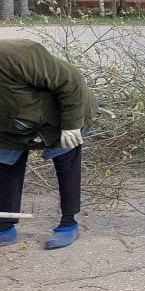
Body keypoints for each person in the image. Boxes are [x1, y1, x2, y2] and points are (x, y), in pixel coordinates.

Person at [0, 39, 95, 250]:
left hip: (62, 115)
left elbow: (70, 81)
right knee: (4, 166)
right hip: (10, 126)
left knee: (65, 160)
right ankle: (5, 229)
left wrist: (71, 125)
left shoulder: (18, 54)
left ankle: (68, 224)